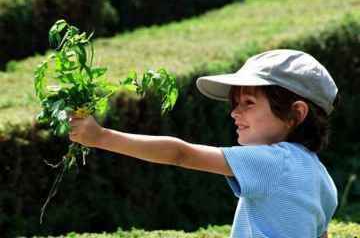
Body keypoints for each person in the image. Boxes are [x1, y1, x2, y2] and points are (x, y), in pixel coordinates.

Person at [68, 49, 338, 238]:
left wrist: (100, 136)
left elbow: (180, 154)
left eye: (249, 103)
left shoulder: (272, 161)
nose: (235, 112)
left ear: (296, 114)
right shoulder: (323, 180)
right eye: (235, 103)